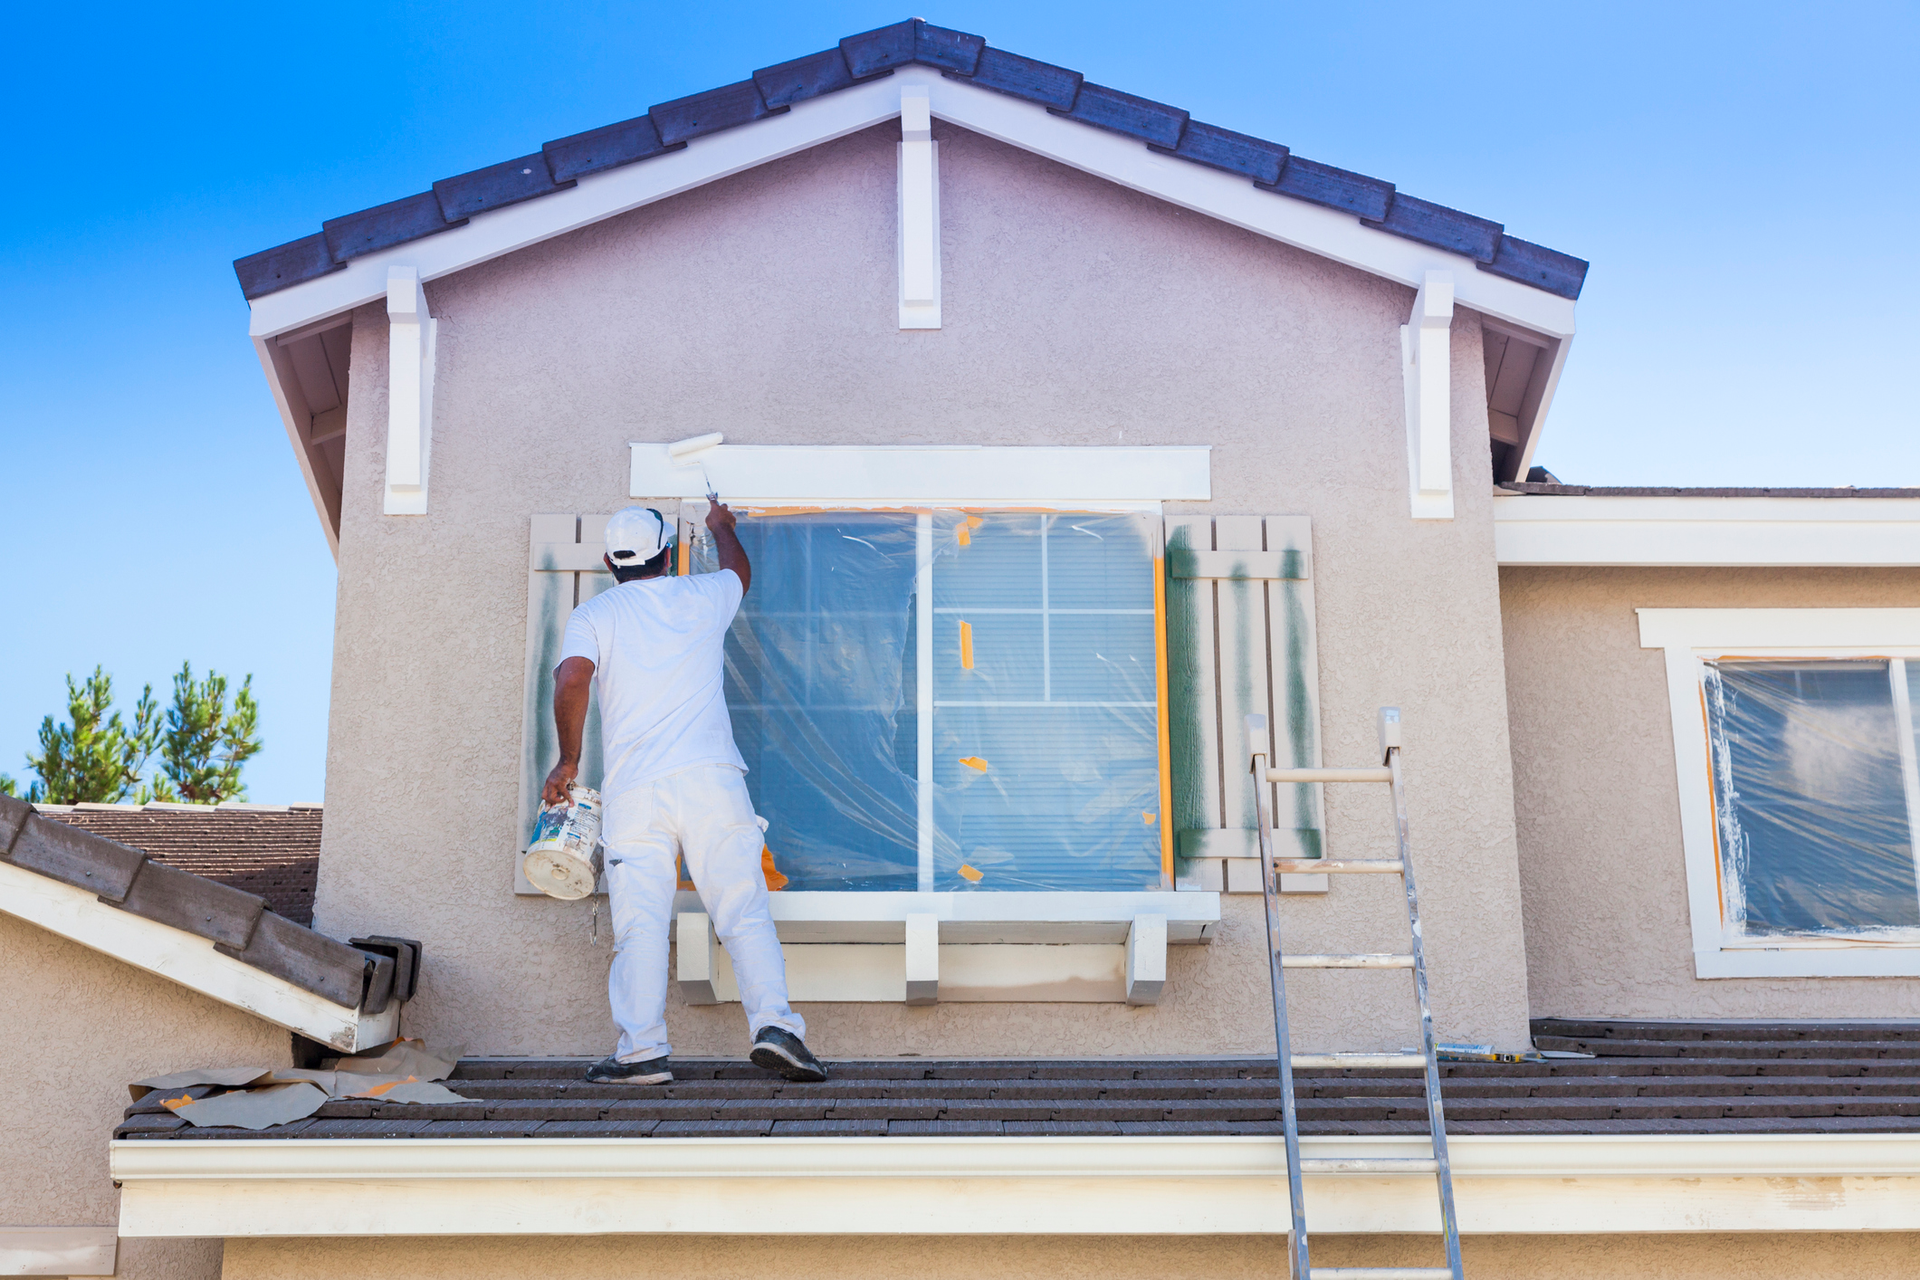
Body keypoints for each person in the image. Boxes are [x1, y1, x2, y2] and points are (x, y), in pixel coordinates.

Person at [542, 501, 826, 1085]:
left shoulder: (593, 614)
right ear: (667, 555)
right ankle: (778, 1028)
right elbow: (738, 573)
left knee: (640, 924)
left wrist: (567, 761)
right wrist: (722, 528)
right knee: (742, 910)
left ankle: (641, 1053)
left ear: (607, 563)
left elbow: (572, 678)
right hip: (711, 781)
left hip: (636, 793)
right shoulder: (701, 597)